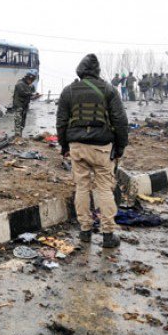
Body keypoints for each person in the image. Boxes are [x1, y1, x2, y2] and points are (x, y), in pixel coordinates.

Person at [56, 54, 128, 248]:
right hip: (102, 148)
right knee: (104, 188)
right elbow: (120, 121)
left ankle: (85, 231)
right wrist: (120, 147)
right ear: (97, 71)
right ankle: (107, 235)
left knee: (82, 187)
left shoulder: (68, 91)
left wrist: (64, 146)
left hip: (77, 147)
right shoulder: (109, 90)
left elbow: (61, 122)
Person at [12, 71, 40, 138]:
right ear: (27, 78)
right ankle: (17, 136)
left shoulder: (30, 86)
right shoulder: (20, 83)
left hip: (25, 106)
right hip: (18, 105)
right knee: (18, 121)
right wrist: (31, 94)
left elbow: (31, 97)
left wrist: (36, 96)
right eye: (30, 80)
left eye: (32, 80)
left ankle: (19, 135)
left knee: (23, 122)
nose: (31, 82)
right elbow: (22, 93)